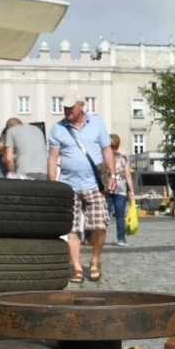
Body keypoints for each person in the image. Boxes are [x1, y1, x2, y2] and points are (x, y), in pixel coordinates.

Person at [47, 99, 117, 283]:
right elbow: (53, 158)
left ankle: (95, 260)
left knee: (100, 225)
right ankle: (77, 268)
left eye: (71, 107)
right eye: (65, 108)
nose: (68, 111)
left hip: (94, 184)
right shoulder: (58, 128)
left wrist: (113, 175)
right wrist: (52, 184)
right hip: (68, 185)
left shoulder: (96, 123)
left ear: (81, 106)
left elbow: (107, 150)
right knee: (72, 229)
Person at [106, 134, 132, 245]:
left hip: (107, 188)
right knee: (120, 216)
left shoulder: (104, 157)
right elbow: (128, 176)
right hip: (121, 189)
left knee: (103, 216)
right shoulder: (123, 158)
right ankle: (121, 239)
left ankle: (97, 238)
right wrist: (132, 191)